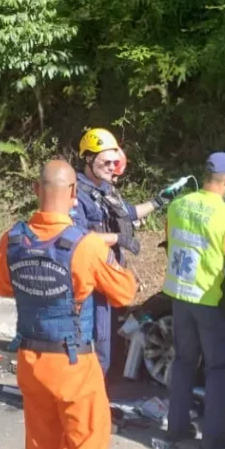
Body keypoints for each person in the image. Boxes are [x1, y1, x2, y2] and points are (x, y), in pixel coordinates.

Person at [0, 159, 138, 449]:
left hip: (30, 361)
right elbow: (125, 292)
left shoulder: (12, 239)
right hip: (73, 365)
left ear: (37, 190)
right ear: (74, 194)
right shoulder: (85, 245)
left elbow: (4, 286)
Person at [162, 152, 225, 449]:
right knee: (217, 368)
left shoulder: (178, 205)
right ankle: (213, 437)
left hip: (180, 296)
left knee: (183, 361)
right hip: (211, 301)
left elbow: (171, 243)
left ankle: (176, 428)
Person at [72, 128, 175, 373]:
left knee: (113, 336)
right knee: (98, 342)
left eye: (115, 162)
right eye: (106, 162)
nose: (112, 167)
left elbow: (128, 213)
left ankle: (106, 385)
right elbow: (77, 238)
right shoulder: (77, 194)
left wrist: (159, 201)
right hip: (92, 278)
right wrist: (117, 238)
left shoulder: (105, 188)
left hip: (111, 273)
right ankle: (91, 388)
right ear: (88, 158)